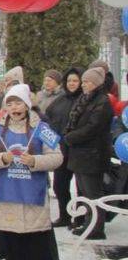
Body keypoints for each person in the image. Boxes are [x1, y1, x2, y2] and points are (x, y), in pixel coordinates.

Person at [0, 84, 67, 260]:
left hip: (33, 194)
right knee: (13, 242)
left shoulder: (41, 128)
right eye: (9, 103)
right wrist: (2, 158)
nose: (14, 107)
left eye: (18, 103)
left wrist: (35, 161)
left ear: (27, 105)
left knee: (39, 242)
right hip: (8, 194)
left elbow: (58, 157)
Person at [64, 67, 114, 240]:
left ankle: (96, 228)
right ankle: (88, 223)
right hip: (80, 153)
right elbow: (74, 120)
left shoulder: (102, 101)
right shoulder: (84, 99)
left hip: (93, 154)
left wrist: (71, 137)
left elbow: (93, 127)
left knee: (93, 194)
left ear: (96, 83)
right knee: (83, 192)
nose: (83, 85)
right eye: (83, 81)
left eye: (87, 81)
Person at [44, 68, 82, 227]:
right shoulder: (61, 100)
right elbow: (48, 117)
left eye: (75, 81)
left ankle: (81, 218)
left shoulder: (84, 100)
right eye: (69, 81)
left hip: (79, 150)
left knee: (82, 188)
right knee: (60, 185)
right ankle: (64, 216)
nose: (72, 84)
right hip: (61, 149)